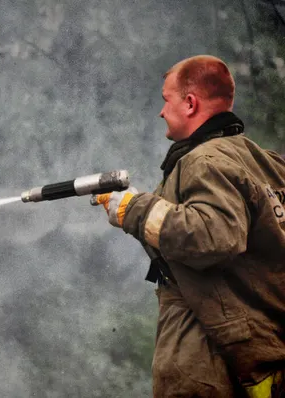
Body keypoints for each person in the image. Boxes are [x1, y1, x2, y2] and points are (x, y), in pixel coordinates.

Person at [94, 55, 285, 397]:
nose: (161, 112)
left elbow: (214, 237)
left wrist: (133, 209)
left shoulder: (204, 161)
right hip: (262, 350)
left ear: (191, 103)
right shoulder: (262, 161)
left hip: (211, 359)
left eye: (166, 101)